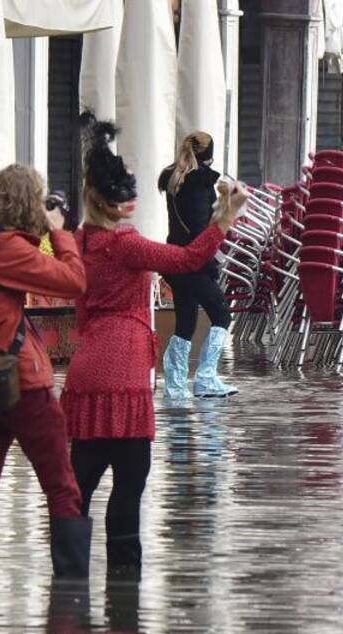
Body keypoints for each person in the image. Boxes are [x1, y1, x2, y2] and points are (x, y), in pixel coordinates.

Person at [60, 111, 248, 578]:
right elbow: (188, 259)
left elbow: (78, 304)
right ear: (122, 203)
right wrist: (226, 217)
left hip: (85, 370)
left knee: (78, 486)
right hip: (124, 373)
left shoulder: (77, 241)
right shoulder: (126, 244)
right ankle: (124, 591)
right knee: (128, 488)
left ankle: (68, 582)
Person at [0, 164, 90, 579]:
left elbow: (4, 270)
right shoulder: (8, 252)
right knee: (61, 484)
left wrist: (33, 232)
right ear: (25, 205)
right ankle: (71, 592)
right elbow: (74, 280)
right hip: (25, 382)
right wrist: (58, 231)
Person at [158, 132, 238, 399]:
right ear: (209, 154)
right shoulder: (200, 183)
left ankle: (176, 384)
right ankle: (204, 378)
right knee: (222, 314)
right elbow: (198, 228)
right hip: (194, 262)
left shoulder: (174, 180)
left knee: (186, 321)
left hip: (175, 259)